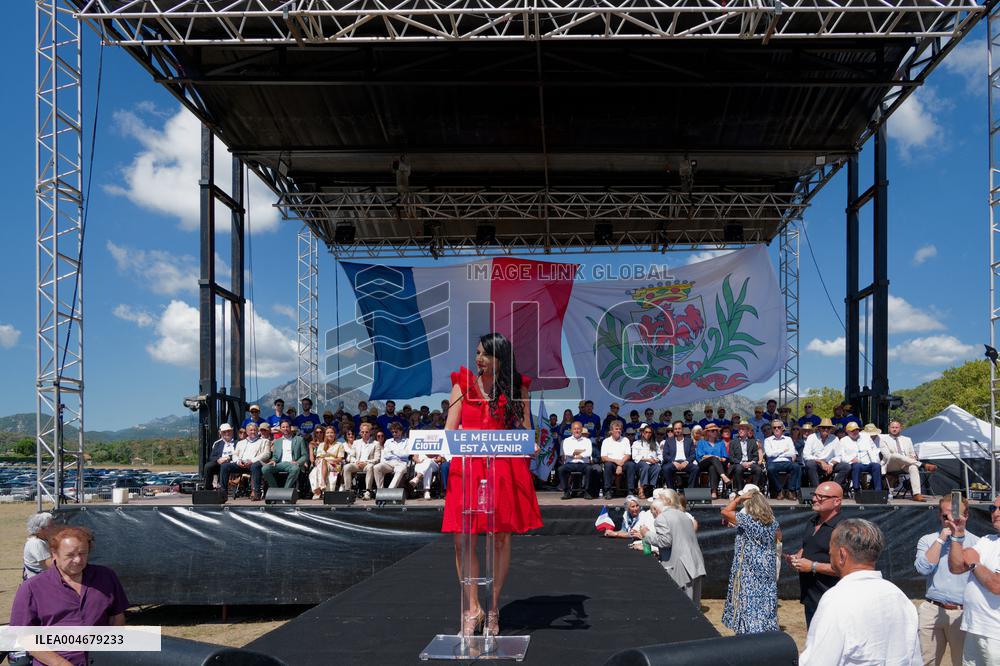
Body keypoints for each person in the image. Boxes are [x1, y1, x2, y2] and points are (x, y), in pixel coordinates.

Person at [441, 332, 542, 638]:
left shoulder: (517, 388)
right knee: (463, 540)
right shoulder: (462, 384)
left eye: (485, 354)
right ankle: (472, 609)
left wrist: (530, 444)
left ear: (501, 358)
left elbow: (526, 430)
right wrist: (439, 446)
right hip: (466, 468)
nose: (478, 359)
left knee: (500, 538)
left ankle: (494, 607)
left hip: (501, 467)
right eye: (476, 353)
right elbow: (450, 428)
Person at [800, 519, 920, 666]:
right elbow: (914, 658)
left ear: (842, 554)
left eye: (830, 547)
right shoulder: (900, 597)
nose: (829, 552)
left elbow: (818, 661)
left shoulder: (837, 599)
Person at [10, 526, 129, 666]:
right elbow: (26, 636)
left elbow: (116, 616)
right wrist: (60, 664)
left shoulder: (106, 577)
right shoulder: (32, 588)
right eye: (70, 555)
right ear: (54, 553)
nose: (78, 560)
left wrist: (111, 651)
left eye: (82, 553)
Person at [914, 496, 978, 666]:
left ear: (966, 516)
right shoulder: (928, 540)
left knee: (962, 662)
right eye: (945, 516)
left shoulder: (977, 543)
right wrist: (941, 539)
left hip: (962, 613)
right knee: (925, 662)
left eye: (955, 516)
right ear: (939, 515)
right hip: (932, 610)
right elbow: (923, 569)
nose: (950, 520)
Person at [947, 494, 1000, 666]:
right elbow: (956, 568)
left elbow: (996, 585)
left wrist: (974, 563)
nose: (995, 513)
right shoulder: (987, 540)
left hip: (995, 635)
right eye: (993, 508)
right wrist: (957, 535)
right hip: (974, 628)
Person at [721, 485, 780, 635]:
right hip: (767, 566)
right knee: (765, 599)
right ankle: (766, 631)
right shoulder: (773, 522)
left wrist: (739, 499)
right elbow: (779, 537)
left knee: (748, 601)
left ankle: (750, 633)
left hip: (749, 568)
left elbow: (725, 512)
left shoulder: (748, 520)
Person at [786, 480, 844, 626]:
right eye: (814, 495)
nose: (814, 499)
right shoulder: (812, 521)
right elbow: (808, 547)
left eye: (821, 497)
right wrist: (797, 558)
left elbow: (844, 568)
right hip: (810, 597)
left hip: (831, 601)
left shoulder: (843, 528)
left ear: (837, 501)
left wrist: (812, 566)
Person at [640, 498, 706, 607]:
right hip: (696, 564)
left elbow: (665, 542)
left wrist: (647, 534)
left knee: (683, 607)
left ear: (655, 509)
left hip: (681, 568)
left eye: (653, 514)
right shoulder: (683, 515)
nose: (654, 517)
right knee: (695, 607)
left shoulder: (661, 518)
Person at [880, 420, 935, 502]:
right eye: (892, 427)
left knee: (913, 467)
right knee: (894, 455)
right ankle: (923, 465)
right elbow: (888, 456)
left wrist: (913, 457)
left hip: (906, 464)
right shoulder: (884, 440)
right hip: (891, 464)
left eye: (896, 427)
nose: (894, 429)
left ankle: (916, 494)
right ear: (889, 428)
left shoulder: (907, 440)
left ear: (900, 429)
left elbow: (912, 453)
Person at [222, 422, 271, 500]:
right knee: (225, 466)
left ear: (257, 431)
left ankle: (256, 493)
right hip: (242, 463)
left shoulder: (264, 441)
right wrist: (238, 461)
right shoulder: (241, 443)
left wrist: (251, 461)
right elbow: (235, 454)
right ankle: (223, 493)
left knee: (255, 466)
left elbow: (266, 454)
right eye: (251, 430)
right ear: (247, 432)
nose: (253, 432)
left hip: (254, 463)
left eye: (255, 430)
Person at [261, 419, 309, 491]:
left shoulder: (299, 439)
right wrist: (273, 460)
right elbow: (275, 457)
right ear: (280, 429)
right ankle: (275, 490)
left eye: (287, 427)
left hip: (292, 464)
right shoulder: (277, 441)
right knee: (265, 469)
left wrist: (298, 462)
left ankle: (285, 490)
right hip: (279, 464)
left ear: (290, 428)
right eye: (283, 427)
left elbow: (305, 455)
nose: (285, 429)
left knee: (295, 469)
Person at [803, 418, 849, 488]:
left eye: (828, 428)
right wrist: (821, 462)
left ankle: (833, 488)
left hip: (829, 464)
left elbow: (839, 456)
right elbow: (806, 455)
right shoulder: (811, 437)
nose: (826, 429)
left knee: (846, 466)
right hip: (817, 463)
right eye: (823, 427)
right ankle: (817, 489)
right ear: (819, 428)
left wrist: (831, 464)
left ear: (831, 429)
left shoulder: (835, 438)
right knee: (810, 464)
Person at [838, 422, 882, 493]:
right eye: (853, 430)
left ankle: (878, 490)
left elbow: (874, 450)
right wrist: (851, 459)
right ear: (847, 432)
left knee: (876, 466)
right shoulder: (843, 441)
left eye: (857, 430)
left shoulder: (866, 437)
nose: (855, 432)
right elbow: (841, 456)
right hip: (854, 463)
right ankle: (856, 489)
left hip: (868, 462)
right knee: (857, 466)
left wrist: (875, 460)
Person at [343, 422, 381, 499]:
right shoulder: (356, 442)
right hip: (357, 464)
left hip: (367, 464)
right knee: (346, 467)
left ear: (370, 432)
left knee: (370, 467)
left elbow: (377, 459)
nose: (364, 434)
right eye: (362, 432)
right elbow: (350, 456)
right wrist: (356, 461)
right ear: (360, 432)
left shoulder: (375, 443)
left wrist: (366, 462)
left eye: (366, 432)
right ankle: (348, 491)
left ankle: (368, 492)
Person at [764, 420, 801, 500]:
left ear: (782, 428)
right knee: (770, 469)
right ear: (772, 429)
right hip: (774, 463)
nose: (776, 429)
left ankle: (790, 490)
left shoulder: (788, 439)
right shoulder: (767, 440)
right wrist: (783, 450)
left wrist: (777, 453)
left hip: (787, 462)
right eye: (774, 427)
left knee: (796, 467)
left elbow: (791, 452)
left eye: (779, 427)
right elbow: (769, 454)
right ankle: (779, 490)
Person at [559, 421, 596, 500]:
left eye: (578, 429)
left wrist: (579, 455)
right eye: (574, 429)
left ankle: (587, 492)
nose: (576, 430)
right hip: (570, 463)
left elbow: (588, 452)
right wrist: (580, 453)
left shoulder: (587, 441)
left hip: (583, 464)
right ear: (571, 430)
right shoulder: (566, 440)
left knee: (589, 469)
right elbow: (567, 452)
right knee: (561, 469)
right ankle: (566, 492)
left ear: (581, 430)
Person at [600, 421, 635, 499]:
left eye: (620, 429)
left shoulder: (625, 440)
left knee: (631, 465)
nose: (619, 430)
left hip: (623, 462)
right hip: (612, 462)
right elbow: (603, 457)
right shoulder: (606, 441)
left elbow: (628, 455)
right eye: (616, 429)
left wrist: (620, 464)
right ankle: (608, 490)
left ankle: (630, 491)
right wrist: (617, 462)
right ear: (611, 431)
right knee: (607, 465)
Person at [309, 426, 347, 497]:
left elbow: (339, 459)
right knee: (313, 472)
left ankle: (320, 486)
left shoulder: (339, 445)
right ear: (325, 434)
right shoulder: (321, 445)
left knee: (323, 461)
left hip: (335, 465)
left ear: (335, 434)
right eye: (328, 433)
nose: (329, 434)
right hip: (321, 464)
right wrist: (323, 459)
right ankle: (319, 491)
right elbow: (318, 458)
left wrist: (328, 459)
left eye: (331, 433)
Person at [695, 423, 730, 499]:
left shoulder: (720, 443)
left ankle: (714, 492)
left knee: (712, 467)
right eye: (713, 431)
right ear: (707, 432)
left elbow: (725, 457)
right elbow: (701, 456)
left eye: (716, 431)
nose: (715, 432)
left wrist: (719, 459)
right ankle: (723, 476)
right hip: (703, 464)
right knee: (713, 459)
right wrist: (714, 457)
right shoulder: (701, 442)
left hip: (717, 465)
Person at [727, 422, 764, 492]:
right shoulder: (733, 442)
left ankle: (754, 490)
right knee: (738, 469)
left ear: (747, 431)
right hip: (738, 463)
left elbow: (756, 456)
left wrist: (750, 462)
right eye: (739, 429)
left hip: (750, 463)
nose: (740, 431)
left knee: (758, 469)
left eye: (743, 429)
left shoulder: (752, 442)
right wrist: (741, 463)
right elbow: (731, 457)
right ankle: (740, 490)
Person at [374, 422, 411, 489]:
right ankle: (380, 490)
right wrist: (399, 454)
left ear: (401, 431)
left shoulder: (407, 441)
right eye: (392, 432)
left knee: (400, 470)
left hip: (401, 463)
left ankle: (390, 490)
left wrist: (393, 452)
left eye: (396, 432)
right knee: (376, 467)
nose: (394, 434)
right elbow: (386, 455)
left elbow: (406, 455)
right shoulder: (388, 441)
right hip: (389, 463)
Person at [662, 421, 698, 489]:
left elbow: (693, 455)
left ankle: (690, 491)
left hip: (685, 462)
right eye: (675, 429)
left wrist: (686, 462)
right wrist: (673, 462)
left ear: (682, 429)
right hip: (673, 462)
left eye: (679, 428)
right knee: (666, 468)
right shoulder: (668, 441)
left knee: (695, 468)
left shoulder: (689, 441)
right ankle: (671, 491)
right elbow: (665, 455)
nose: (677, 430)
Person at [632, 424, 662, 500]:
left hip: (652, 463)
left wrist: (657, 459)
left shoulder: (655, 443)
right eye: (646, 432)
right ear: (642, 433)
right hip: (640, 463)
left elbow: (660, 455)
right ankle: (641, 489)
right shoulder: (637, 443)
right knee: (645, 466)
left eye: (649, 432)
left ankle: (651, 487)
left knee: (657, 468)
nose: (647, 434)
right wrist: (647, 460)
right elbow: (634, 456)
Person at [203, 423, 237, 491]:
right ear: (221, 433)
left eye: (228, 431)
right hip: (220, 464)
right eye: (224, 432)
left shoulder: (238, 442)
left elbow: (240, 454)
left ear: (232, 431)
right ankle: (208, 488)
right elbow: (212, 457)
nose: (227, 433)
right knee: (208, 466)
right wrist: (218, 460)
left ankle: (223, 489)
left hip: (233, 464)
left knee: (225, 466)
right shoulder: (217, 444)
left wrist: (228, 458)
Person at [23, 512, 53, 580]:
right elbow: (49, 565)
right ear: (40, 529)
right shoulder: (36, 543)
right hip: (38, 582)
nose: (53, 528)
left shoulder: (43, 540)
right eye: (50, 526)